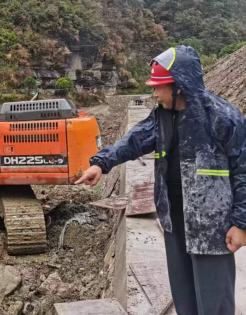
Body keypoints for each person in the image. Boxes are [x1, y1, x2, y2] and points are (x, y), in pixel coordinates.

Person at [76, 45, 246, 315]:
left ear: (179, 85)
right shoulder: (162, 116)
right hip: (173, 218)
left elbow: (243, 172)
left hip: (211, 226)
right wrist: (101, 163)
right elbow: (135, 140)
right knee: (184, 296)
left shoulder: (223, 118)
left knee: (214, 300)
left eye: (159, 86)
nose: (154, 92)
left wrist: (241, 223)